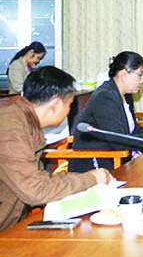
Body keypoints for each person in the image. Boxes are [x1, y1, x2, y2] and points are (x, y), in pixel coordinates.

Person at [0, 66, 111, 231]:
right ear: (56, 104)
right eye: (70, 105)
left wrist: (88, 178)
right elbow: (36, 190)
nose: (69, 111)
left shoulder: (21, 118)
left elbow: (38, 180)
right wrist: (91, 179)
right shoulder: (11, 128)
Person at [70, 51, 143, 171]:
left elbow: (133, 129)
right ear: (124, 74)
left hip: (120, 157)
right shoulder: (105, 96)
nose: (142, 81)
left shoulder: (126, 94)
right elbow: (117, 139)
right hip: (98, 162)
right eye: (140, 75)